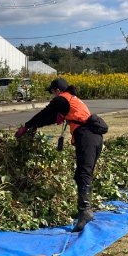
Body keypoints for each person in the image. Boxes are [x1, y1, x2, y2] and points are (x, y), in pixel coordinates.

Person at [16, 77, 105, 232]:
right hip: (94, 137)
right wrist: (35, 126)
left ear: (57, 90)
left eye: (52, 92)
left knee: (83, 173)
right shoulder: (71, 99)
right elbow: (51, 117)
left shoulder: (61, 100)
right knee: (82, 174)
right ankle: (85, 210)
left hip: (87, 136)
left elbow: (45, 113)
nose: (52, 96)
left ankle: (85, 211)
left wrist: (28, 126)